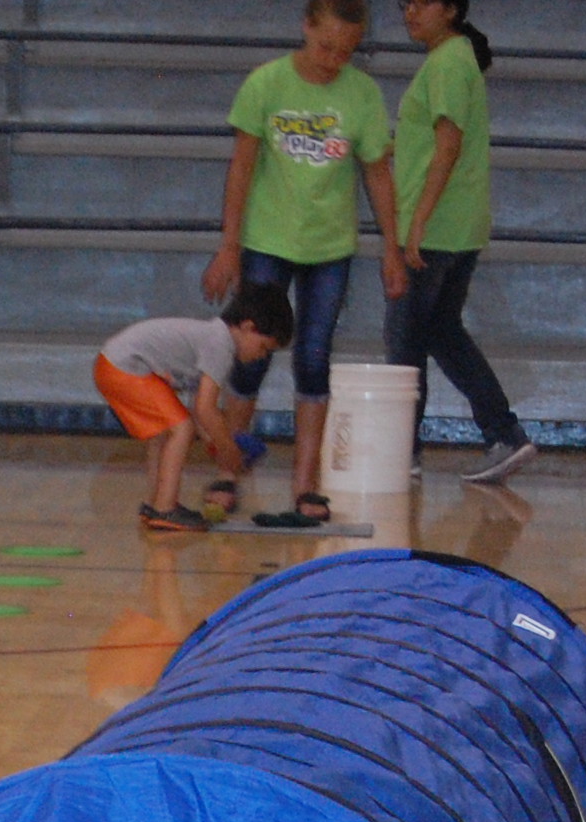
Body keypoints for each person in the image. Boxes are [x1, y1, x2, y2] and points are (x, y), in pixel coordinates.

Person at [202, 0, 406, 529]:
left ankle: (305, 484)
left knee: (314, 358)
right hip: (268, 241)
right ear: (306, 28)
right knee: (249, 357)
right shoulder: (266, 84)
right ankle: (229, 469)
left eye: (345, 51)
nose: (333, 59)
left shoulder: (361, 94)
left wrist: (392, 246)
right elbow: (242, 167)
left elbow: (378, 175)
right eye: (325, 46)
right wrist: (230, 246)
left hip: (329, 248)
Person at [385, 0, 534, 483]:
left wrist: (419, 220)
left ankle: (402, 452)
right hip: (459, 226)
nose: (409, 11)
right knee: (441, 331)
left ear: (449, 9)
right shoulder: (455, 58)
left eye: (421, 2)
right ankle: (503, 433)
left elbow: (447, 144)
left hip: (437, 227)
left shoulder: (448, 60)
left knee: (405, 339)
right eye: (404, 3)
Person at [95, 289, 296, 532]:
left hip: (112, 365)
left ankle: (156, 502)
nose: (261, 356)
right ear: (247, 326)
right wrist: (229, 451)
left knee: (167, 433)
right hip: (124, 367)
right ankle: (164, 509)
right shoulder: (221, 344)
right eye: (264, 347)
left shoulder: (212, 338)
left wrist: (215, 442)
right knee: (181, 429)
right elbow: (205, 408)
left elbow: (198, 407)